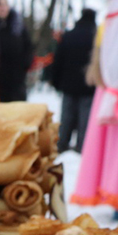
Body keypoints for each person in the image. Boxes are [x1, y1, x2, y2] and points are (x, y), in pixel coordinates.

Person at [50, 8, 98, 152]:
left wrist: (55, 81)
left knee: (66, 116)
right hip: (89, 85)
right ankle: (82, 146)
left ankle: (62, 143)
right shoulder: (95, 37)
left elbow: (58, 60)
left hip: (68, 84)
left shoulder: (69, 36)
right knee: (85, 118)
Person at [0, 0, 35, 102]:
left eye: (5, 4)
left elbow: (28, 48)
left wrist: (25, 66)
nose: (2, 8)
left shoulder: (18, 26)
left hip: (16, 80)